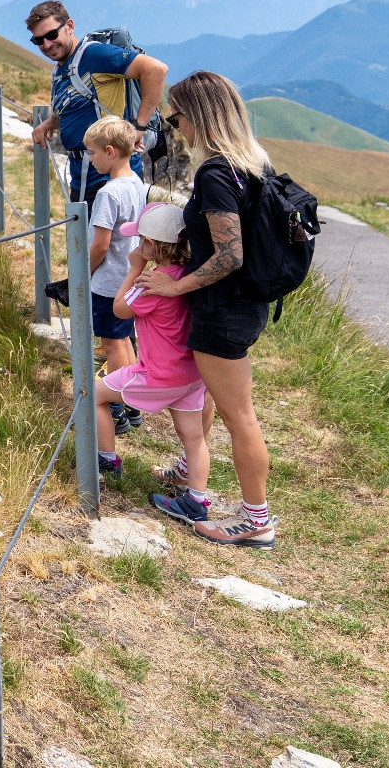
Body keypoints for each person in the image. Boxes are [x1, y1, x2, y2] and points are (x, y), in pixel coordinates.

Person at [134, 71, 277, 548]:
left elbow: (229, 254)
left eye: (176, 117)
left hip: (223, 310)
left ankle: (256, 521)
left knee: (240, 414)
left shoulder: (215, 173)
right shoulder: (253, 164)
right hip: (247, 304)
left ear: (199, 116)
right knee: (208, 393)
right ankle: (188, 462)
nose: (176, 128)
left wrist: (177, 289)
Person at [93, 203, 207, 490]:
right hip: (192, 375)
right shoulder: (189, 275)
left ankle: (106, 459)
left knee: (91, 395)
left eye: (139, 239)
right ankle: (197, 498)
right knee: (194, 439)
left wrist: (135, 267)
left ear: (150, 243)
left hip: (159, 374)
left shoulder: (151, 282)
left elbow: (120, 309)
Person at [24, 1, 168, 204]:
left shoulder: (94, 55)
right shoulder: (61, 68)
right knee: (84, 236)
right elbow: (74, 107)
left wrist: (139, 128)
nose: (47, 44)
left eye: (51, 35)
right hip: (84, 177)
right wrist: (50, 123)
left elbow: (156, 69)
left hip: (110, 178)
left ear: (69, 26)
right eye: (38, 40)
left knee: (108, 237)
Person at [84, 117, 147, 378]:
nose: (90, 159)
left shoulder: (108, 193)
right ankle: (132, 397)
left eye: (92, 153)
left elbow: (101, 245)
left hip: (108, 282)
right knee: (124, 338)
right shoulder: (135, 182)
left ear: (110, 152)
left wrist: (83, 272)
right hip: (128, 277)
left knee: (111, 344)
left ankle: (116, 401)